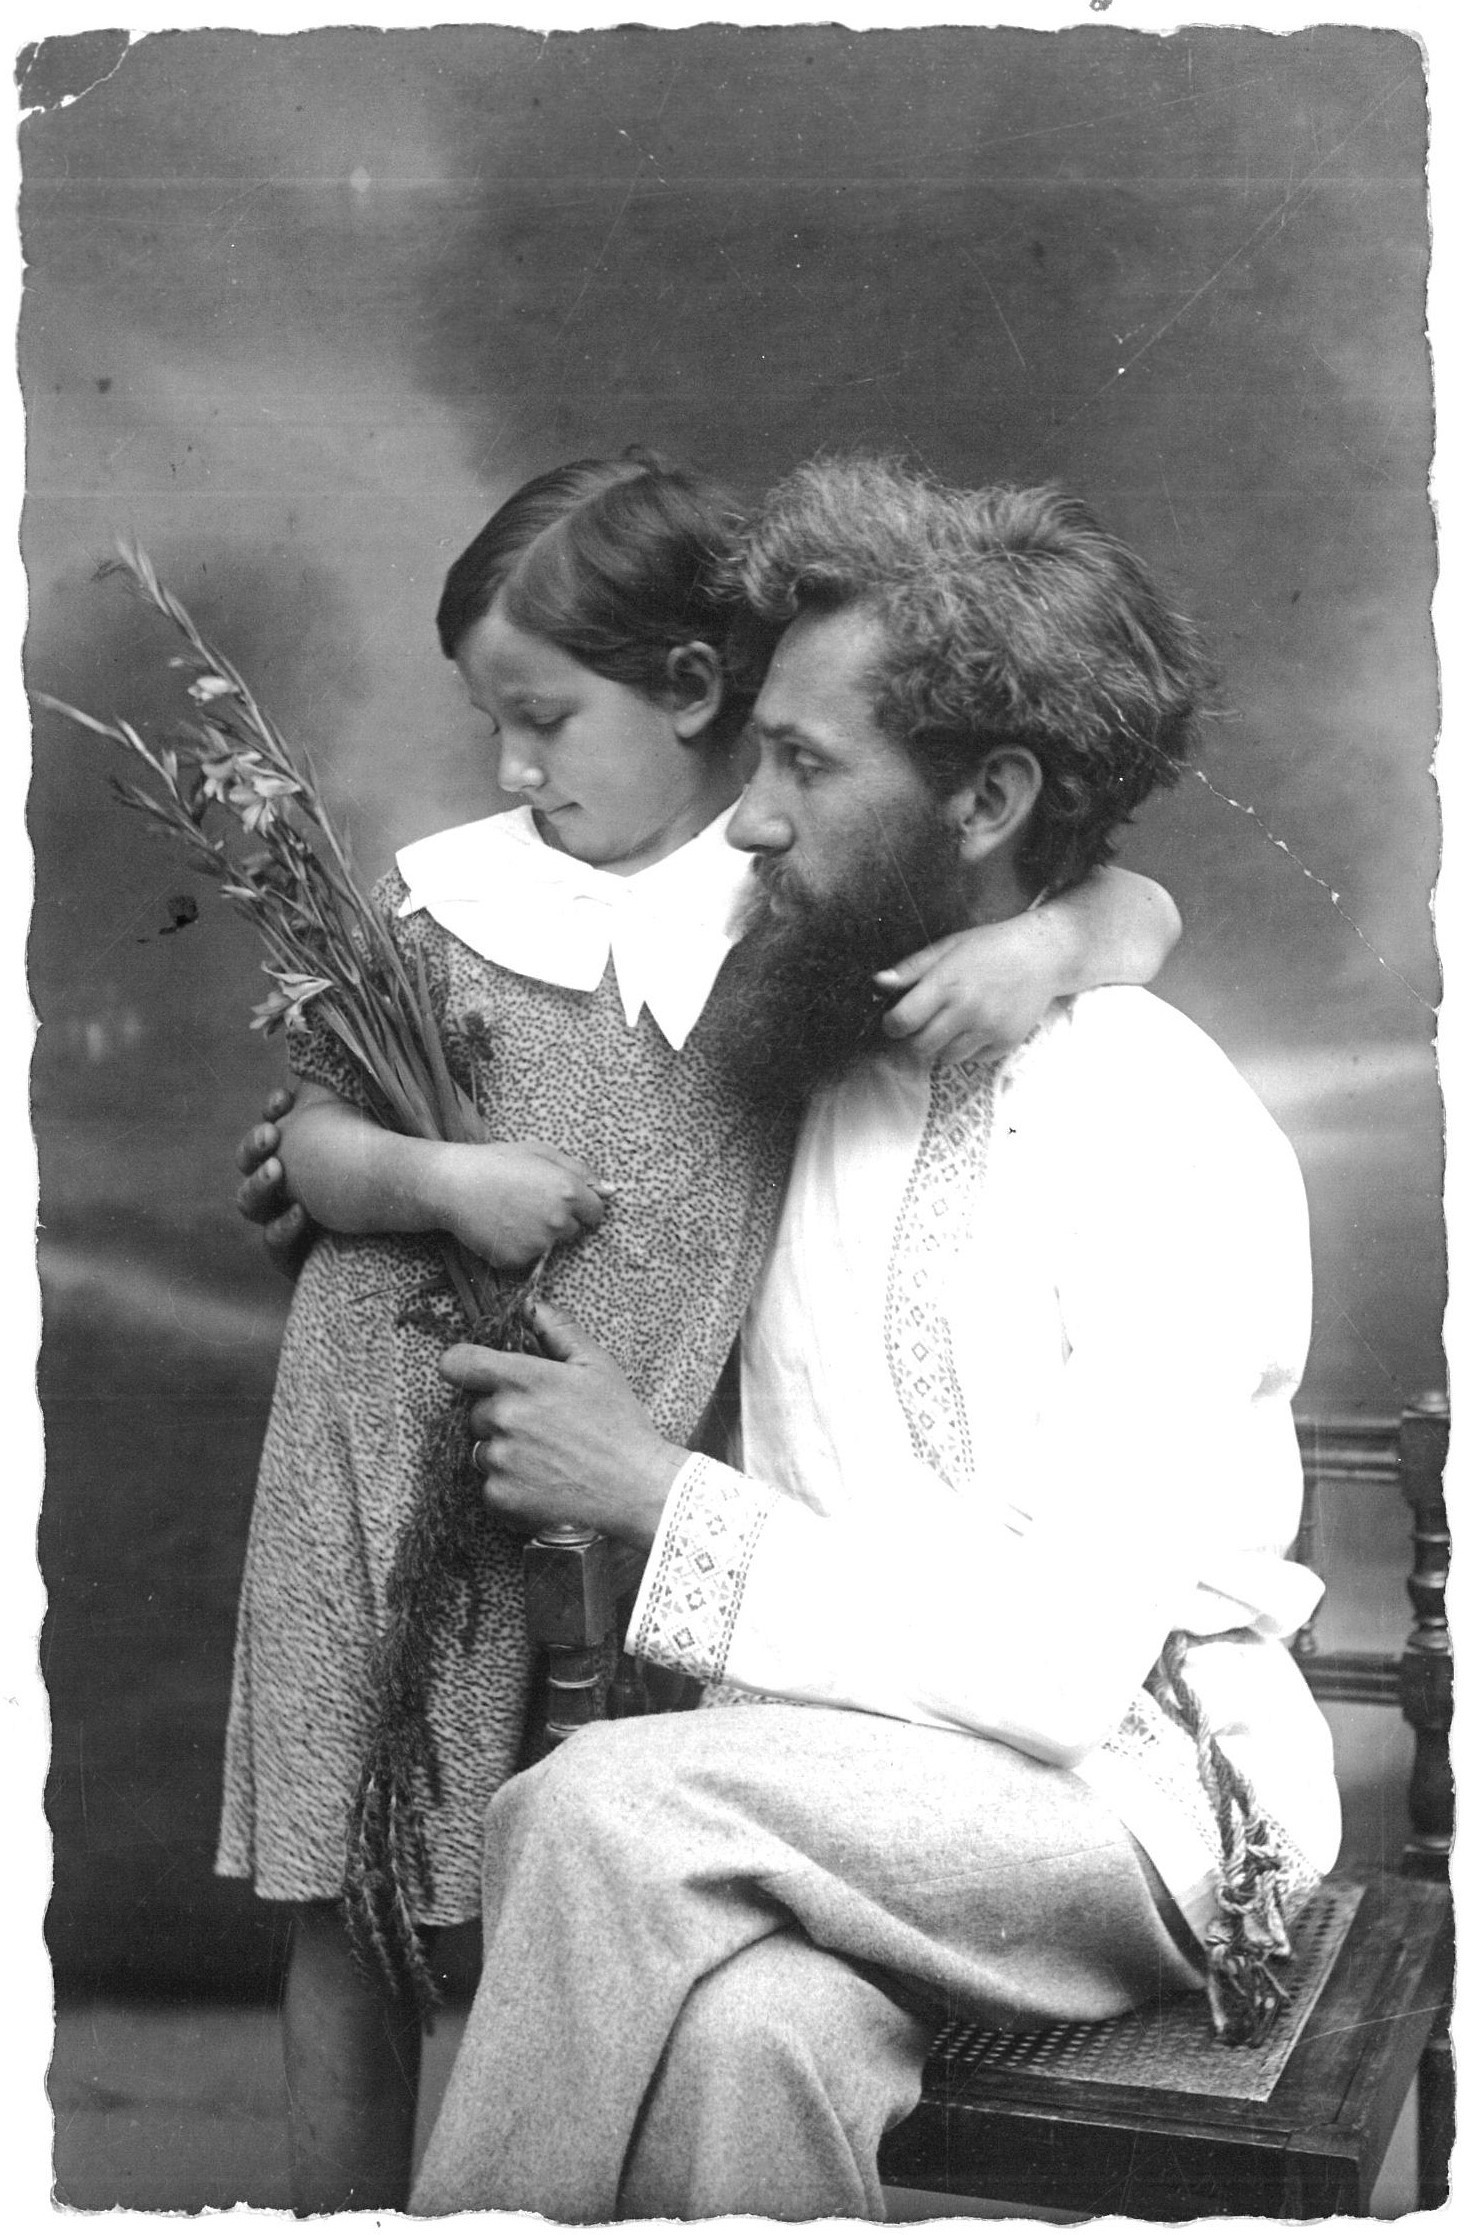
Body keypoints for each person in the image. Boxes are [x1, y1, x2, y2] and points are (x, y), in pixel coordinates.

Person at [218, 450, 1183, 2213]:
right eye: (495, 725)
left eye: (545, 720)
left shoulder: (792, 912)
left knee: (543, 1886)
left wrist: (1045, 946)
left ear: (688, 690)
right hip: (389, 1443)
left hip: (612, 1501)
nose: (515, 770)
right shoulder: (454, 900)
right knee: (349, 1897)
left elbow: (1117, 896)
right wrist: (425, 1180)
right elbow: (309, 1138)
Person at [398, 459, 1340, 2221]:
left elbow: (1056, 1681)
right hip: (835, 1797)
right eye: (753, 755)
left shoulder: (1162, 1131)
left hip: (1136, 1807)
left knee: (594, 1810)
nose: (748, 821)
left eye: (804, 766)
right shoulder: (801, 1022)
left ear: (984, 798)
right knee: (747, 2040)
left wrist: (653, 1496)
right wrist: (354, 1163)